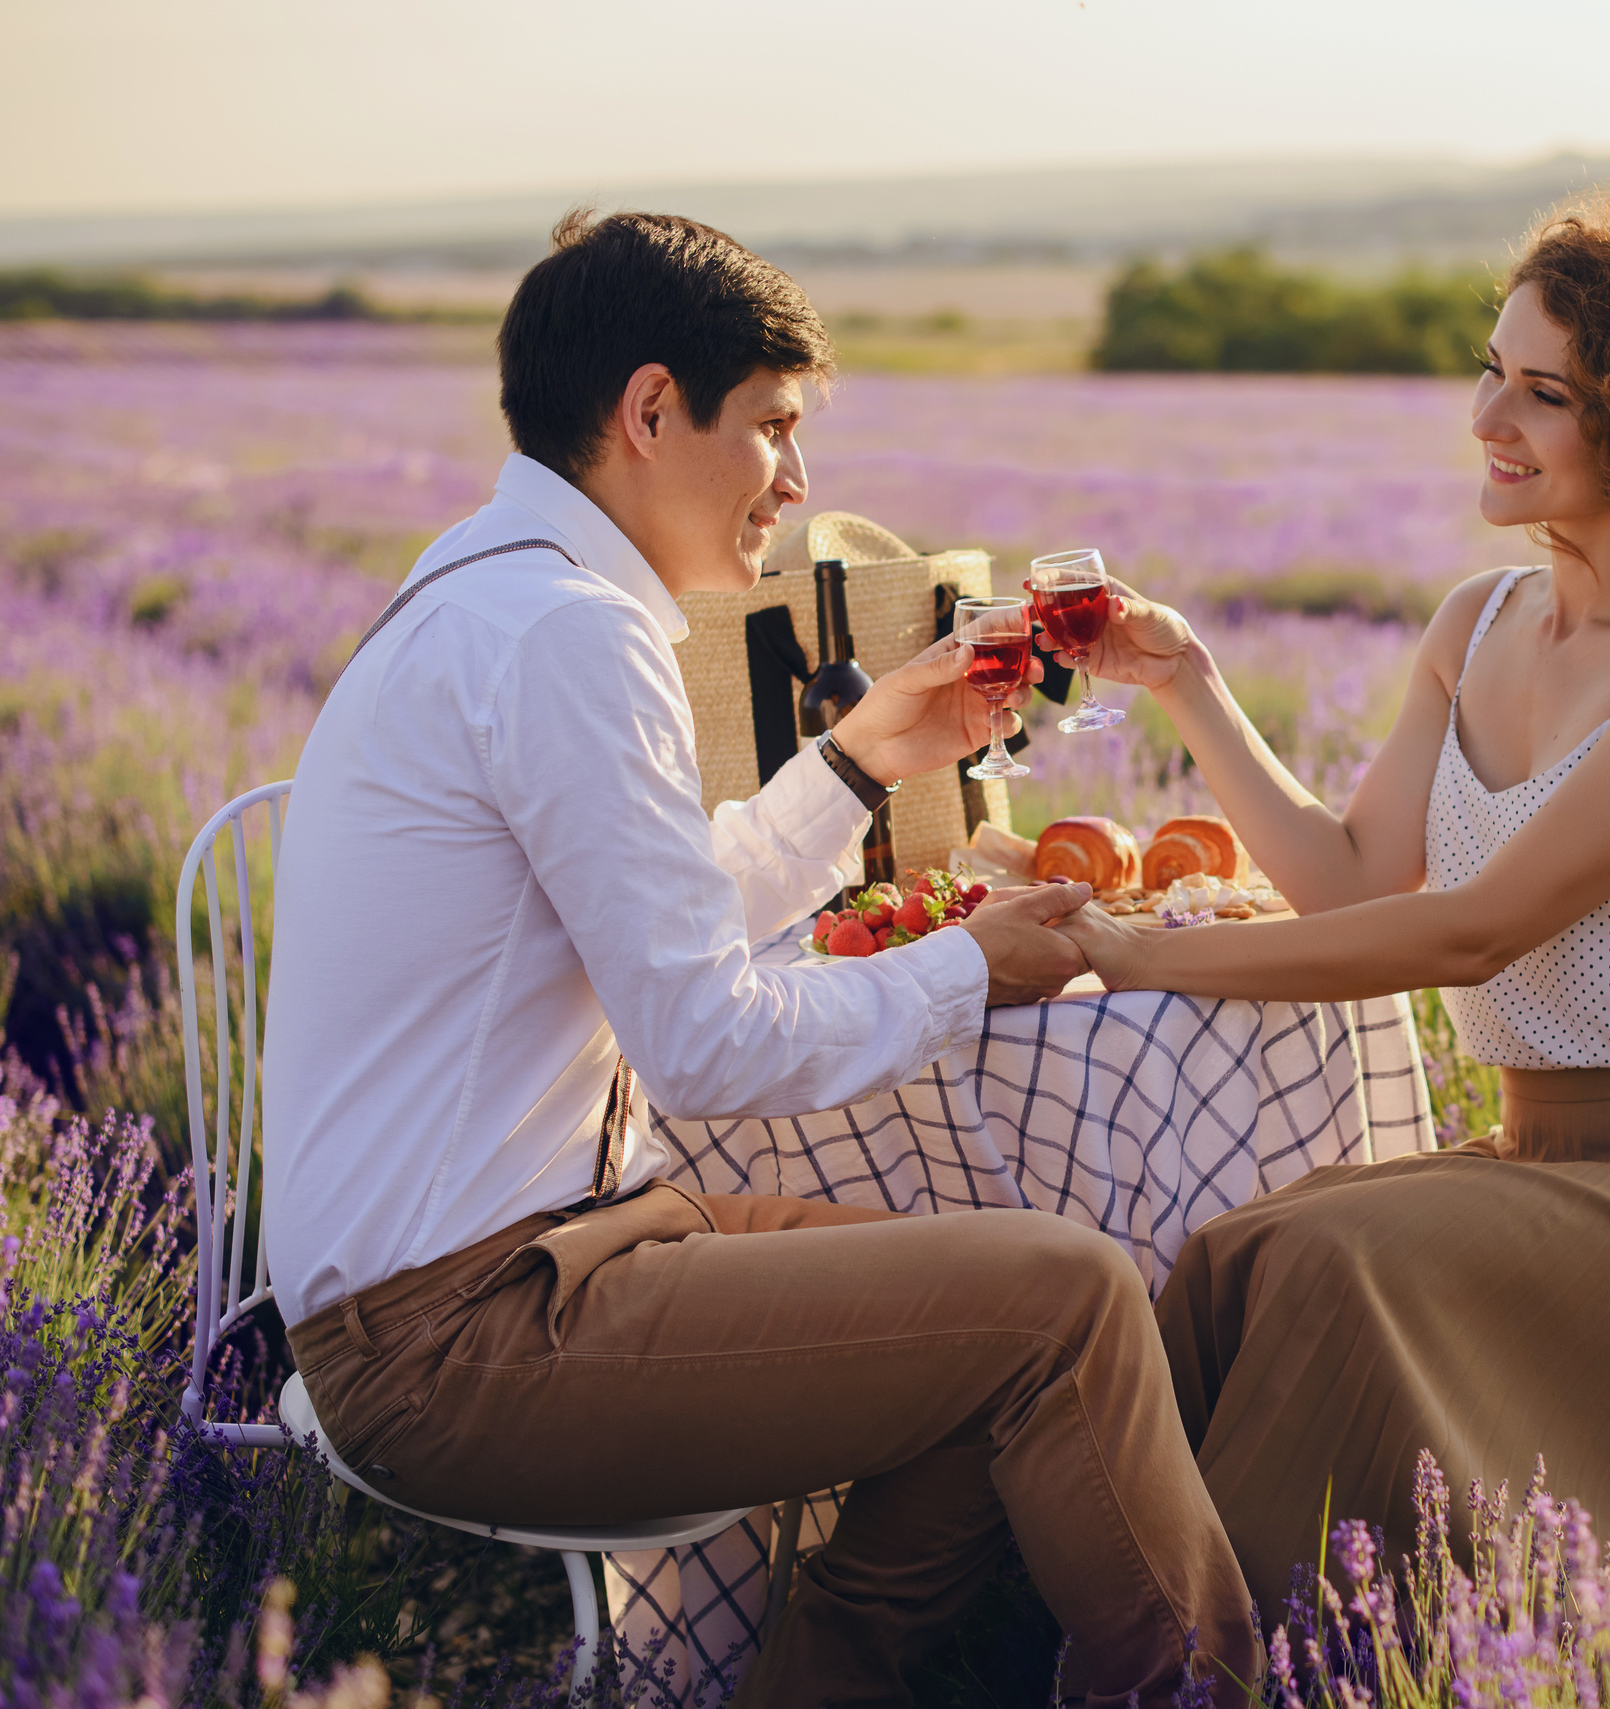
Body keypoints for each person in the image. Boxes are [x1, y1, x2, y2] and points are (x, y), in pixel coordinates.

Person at [259, 210, 1254, 1707]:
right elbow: (706, 1040)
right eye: (776, 428)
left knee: (980, 1292)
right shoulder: (566, 636)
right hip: (462, 1338)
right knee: (1065, 1298)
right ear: (652, 411)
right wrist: (973, 966)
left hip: (531, 1260)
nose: (800, 483)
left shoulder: (497, 592)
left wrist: (855, 762)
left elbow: (668, 907)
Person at [1053, 181, 1610, 1601]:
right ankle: (1156, 1622)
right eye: (1488, 373)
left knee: (1335, 1261)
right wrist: (1192, 684)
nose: (1486, 420)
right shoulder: (1480, 620)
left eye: (1542, 394)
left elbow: (1469, 930)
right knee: (1233, 1255)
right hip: (1555, 1167)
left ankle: (1226, 1659)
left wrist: (1142, 955)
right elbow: (1343, 881)